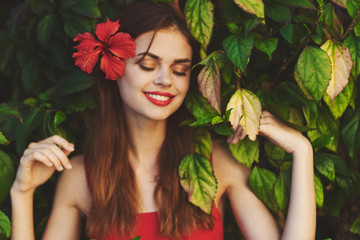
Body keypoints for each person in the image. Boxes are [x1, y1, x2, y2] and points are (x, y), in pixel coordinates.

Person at [10, 1, 316, 239]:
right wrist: (22, 194)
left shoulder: (217, 162)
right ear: (114, 69)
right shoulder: (80, 178)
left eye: (180, 69)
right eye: (147, 64)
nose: (165, 80)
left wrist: (303, 151)